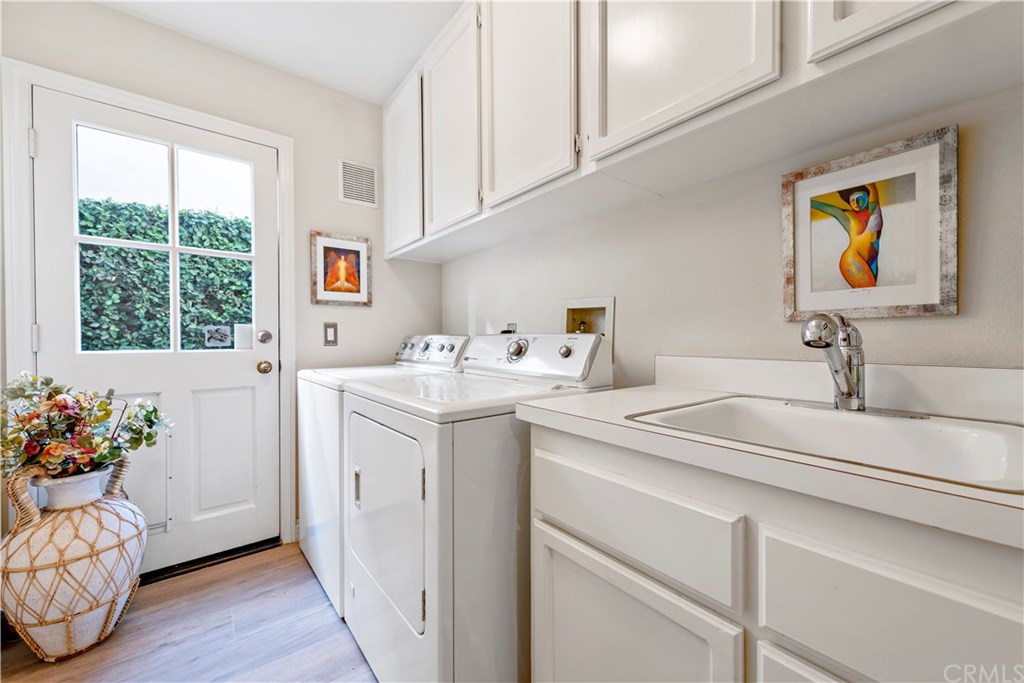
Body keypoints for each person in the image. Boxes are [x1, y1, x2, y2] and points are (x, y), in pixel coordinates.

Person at [810, 182, 883, 288]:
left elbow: (872, 189)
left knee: (872, 292)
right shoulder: (848, 216)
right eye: (852, 201)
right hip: (852, 258)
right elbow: (828, 209)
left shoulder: (874, 210)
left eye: (859, 199)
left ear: (867, 197)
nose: (855, 203)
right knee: (869, 291)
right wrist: (806, 201)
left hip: (872, 259)